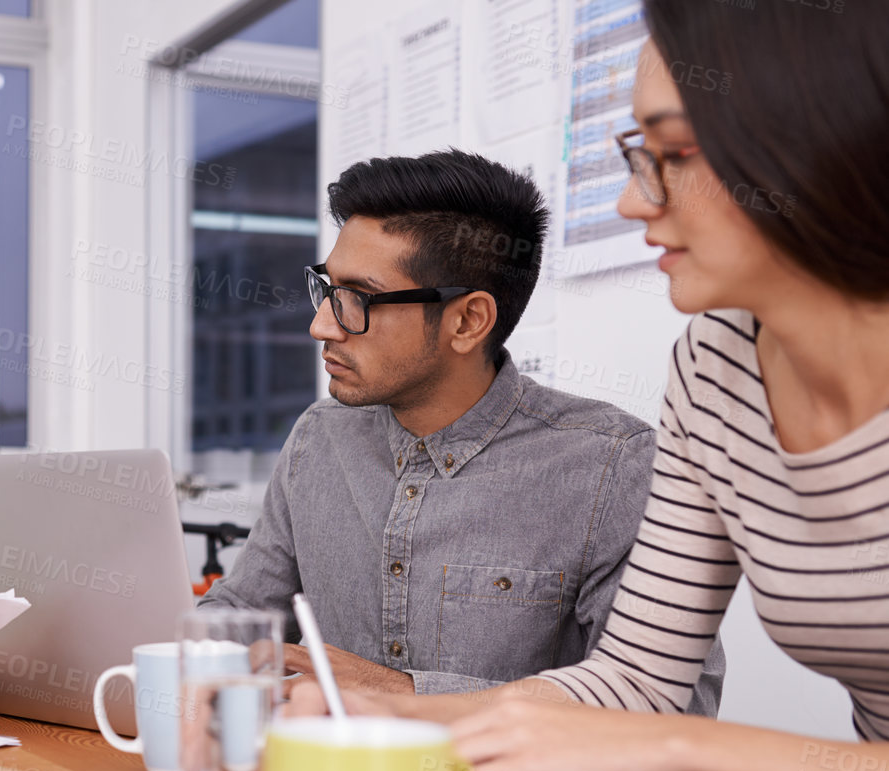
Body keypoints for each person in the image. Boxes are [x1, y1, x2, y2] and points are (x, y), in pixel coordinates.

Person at [288, 1, 889, 771]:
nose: (632, 204)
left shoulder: (605, 455)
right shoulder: (715, 366)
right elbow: (635, 681)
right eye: (639, 155)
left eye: (674, 153)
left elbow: (660, 730)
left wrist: (679, 751)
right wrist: (400, 722)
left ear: (820, 142)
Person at [201, 150, 723, 711]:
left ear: (468, 321)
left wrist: (402, 694)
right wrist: (166, 650)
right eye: (326, 289)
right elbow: (245, 608)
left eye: (357, 299)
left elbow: (673, 710)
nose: (321, 324)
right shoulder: (319, 437)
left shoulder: (611, 466)